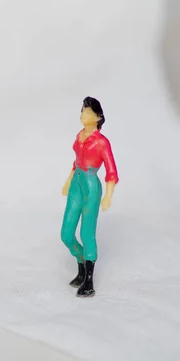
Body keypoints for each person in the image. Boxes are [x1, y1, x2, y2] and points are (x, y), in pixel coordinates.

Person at [60, 96, 119, 298]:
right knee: (66, 233)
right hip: (77, 183)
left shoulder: (102, 143)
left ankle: (89, 280)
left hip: (91, 186)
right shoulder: (79, 136)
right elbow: (76, 161)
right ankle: (81, 264)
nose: (83, 114)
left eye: (87, 111)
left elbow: (112, 171)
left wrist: (108, 195)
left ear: (98, 117)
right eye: (82, 110)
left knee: (87, 233)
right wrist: (68, 181)